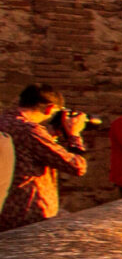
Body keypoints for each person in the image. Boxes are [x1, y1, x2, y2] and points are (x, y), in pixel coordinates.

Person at [1, 84, 92, 231]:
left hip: (5, 209)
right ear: (50, 108)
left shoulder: (4, 121)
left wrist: (53, 133)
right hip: (30, 211)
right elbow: (77, 167)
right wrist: (74, 135)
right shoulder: (30, 130)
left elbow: (30, 151)